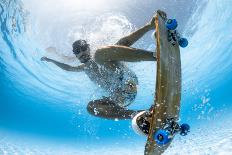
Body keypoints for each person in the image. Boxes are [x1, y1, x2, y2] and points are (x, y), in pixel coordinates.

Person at [41, 11, 167, 135]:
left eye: (84, 48)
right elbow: (68, 68)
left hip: (128, 83)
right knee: (91, 107)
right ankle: (140, 114)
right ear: (75, 54)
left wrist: (149, 26)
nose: (82, 52)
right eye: (77, 50)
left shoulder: (101, 56)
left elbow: (125, 43)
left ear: (88, 48)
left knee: (102, 53)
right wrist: (51, 60)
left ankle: (156, 56)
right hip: (120, 98)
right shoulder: (84, 67)